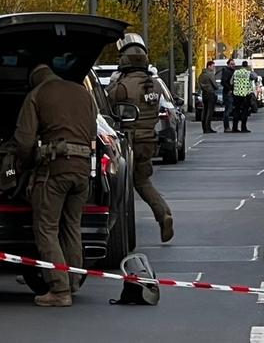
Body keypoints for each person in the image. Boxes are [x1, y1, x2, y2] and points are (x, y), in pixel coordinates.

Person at [12, 63, 97, 307]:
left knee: (47, 228)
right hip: (82, 170)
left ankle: (59, 290)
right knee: (72, 226)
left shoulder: (36, 95)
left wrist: (26, 164)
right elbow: (92, 130)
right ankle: (72, 280)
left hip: (55, 171)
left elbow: (24, 141)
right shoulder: (83, 92)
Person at [107, 35, 175, 244]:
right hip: (149, 139)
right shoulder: (154, 85)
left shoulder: (122, 86)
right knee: (142, 181)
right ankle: (163, 213)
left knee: (118, 185)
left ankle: (115, 227)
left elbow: (106, 108)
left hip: (128, 140)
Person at [231, 61, 254, 133]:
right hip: (245, 94)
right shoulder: (248, 73)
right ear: (247, 66)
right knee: (245, 111)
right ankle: (243, 127)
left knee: (236, 111)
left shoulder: (236, 72)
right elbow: (255, 78)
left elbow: (231, 82)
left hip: (237, 94)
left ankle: (234, 128)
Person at [198, 60, 218, 133]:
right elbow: (215, 85)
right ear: (209, 66)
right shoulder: (210, 74)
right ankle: (208, 127)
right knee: (210, 112)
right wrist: (215, 87)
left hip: (204, 94)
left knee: (205, 111)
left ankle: (204, 127)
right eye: (213, 66)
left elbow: (199, 84)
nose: (214, 68)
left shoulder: (201, 75)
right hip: (210, 93)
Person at [221, 59, 236, 132]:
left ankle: (230, 127)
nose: (233, 65)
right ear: (228, 65)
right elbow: (223, 82)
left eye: (234, 64)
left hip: (231, 92)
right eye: (232, 64)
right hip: (227, 93)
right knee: (228, 109)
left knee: (230, 109)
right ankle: (226, 127)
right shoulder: (226, 72)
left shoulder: (232, 71)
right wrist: (229, 89)